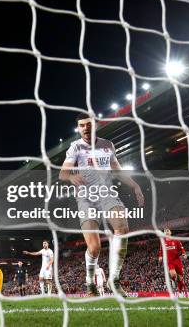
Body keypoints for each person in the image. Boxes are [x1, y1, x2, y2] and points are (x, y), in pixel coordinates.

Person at [59, 113, 144, 296]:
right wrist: (71, 176)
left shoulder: (107, 145)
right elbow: (62, 173)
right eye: (81, 125)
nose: (85, 128)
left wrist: (135, 185)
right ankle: (90, 283)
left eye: (88, 124)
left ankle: (114, 280)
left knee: (121, 227)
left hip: (107, 194)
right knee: (94, 248)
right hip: (85, 198)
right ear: (79, 128)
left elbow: (118, 170)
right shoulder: (75, 147)